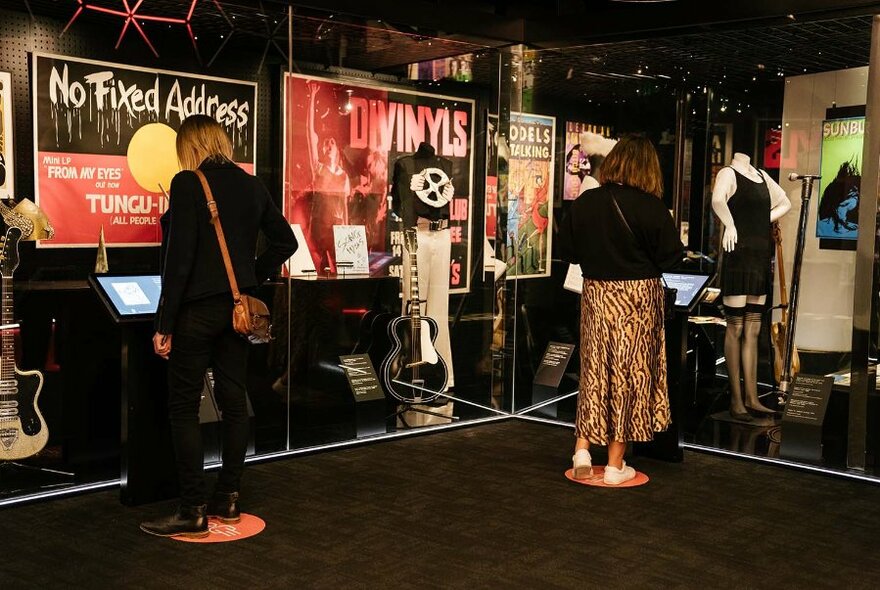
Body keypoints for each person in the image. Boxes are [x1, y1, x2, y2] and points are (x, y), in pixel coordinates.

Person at [140, 115, 297, 538]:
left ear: (190, 146)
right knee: (234, 401)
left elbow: (179, 260)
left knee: (183, 407)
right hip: (237, 311)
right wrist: (250, 277)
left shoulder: (188, 183)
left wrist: (163, 322)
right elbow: (286, 241)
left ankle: (191, 507)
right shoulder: (251, 184)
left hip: (195, 312)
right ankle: (228, 498)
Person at [558, 136, 682, 485]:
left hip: (596, 296)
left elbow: (568, 250)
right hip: (636, 301)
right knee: (630, 377)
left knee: (595, 372)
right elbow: (672, 258)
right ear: (648, 167)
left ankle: (582, 449)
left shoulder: (586, 202)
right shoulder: (652, 207)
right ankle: (615, 465)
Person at [711, 153, 791, 420]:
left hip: (758, 256)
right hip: (737, 255)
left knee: (754, 328)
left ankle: (752, 397)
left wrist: (760, 221)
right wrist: (731, 223)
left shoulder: (761, 176)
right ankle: (736, 399)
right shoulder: (728, 173)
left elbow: (786, 203)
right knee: (736, 326)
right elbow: (717, 200)